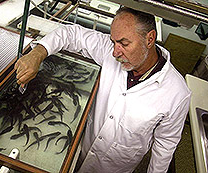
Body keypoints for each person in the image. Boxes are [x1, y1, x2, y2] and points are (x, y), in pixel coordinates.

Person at [15, 7, 191, 173]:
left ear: (150, 39)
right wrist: (37, 54)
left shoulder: (177, 93)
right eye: (113, 42)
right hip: (82, 148)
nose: (115, 52)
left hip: (116, 167)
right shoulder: (110, 52)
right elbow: (72, 34)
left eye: (124, 43)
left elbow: (165, 145)